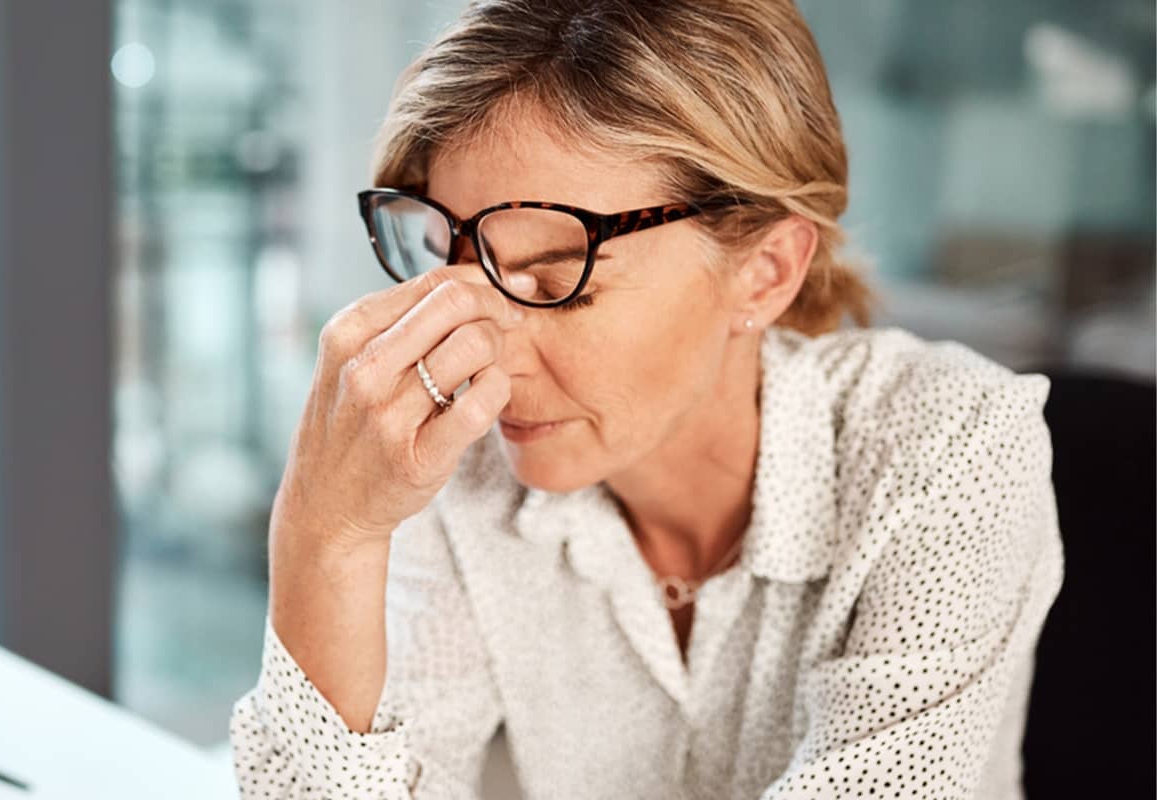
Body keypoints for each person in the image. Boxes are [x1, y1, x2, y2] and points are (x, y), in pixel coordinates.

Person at [228, 1, 1064, 798]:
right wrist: (323, 533)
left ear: (765, 271)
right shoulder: (459, 464)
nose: (482, 354)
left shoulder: (951, 447)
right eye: (454, 266)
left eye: (555, 281)